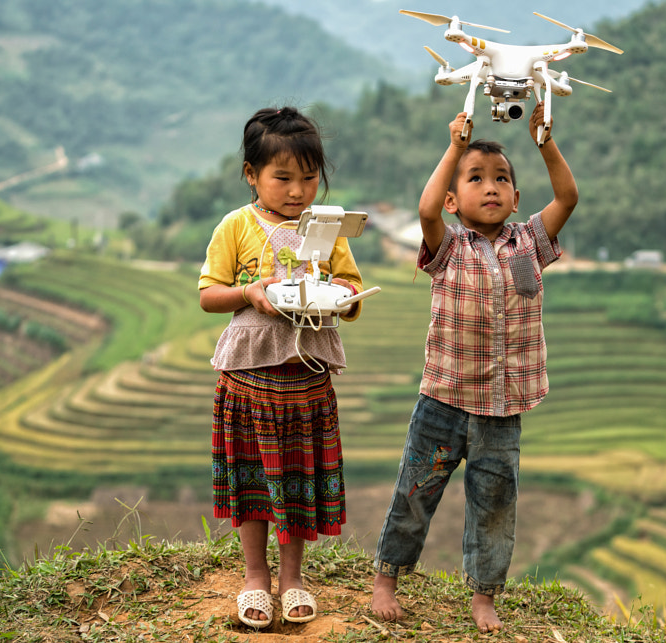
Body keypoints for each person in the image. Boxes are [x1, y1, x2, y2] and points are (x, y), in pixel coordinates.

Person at [371, 103, 578, 633]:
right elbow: (423, 211)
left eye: (502, 180)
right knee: (415, 492)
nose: (491, 188)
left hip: (503, 411)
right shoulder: (447, 246)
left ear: (516, 197)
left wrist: (544, 143)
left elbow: (569, 197)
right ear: (453, 198)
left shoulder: (530, 243)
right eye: (476, 178)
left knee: (494, 505)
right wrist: (455, 147)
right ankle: (387, 578)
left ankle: (484, 597)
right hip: (442, 401)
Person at [198, 106, 365, 629]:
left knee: (297, 481)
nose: (298, 191)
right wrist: (250, 292)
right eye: (283, 178)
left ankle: (292, 578)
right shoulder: (237, 227)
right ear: (252, 175)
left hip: (306, 380)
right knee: (253, 483)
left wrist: (342, 296)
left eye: (309, 178)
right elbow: (208, 295)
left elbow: (352, 288)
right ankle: (254, 577)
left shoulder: (328, 229)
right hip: (250, 381)